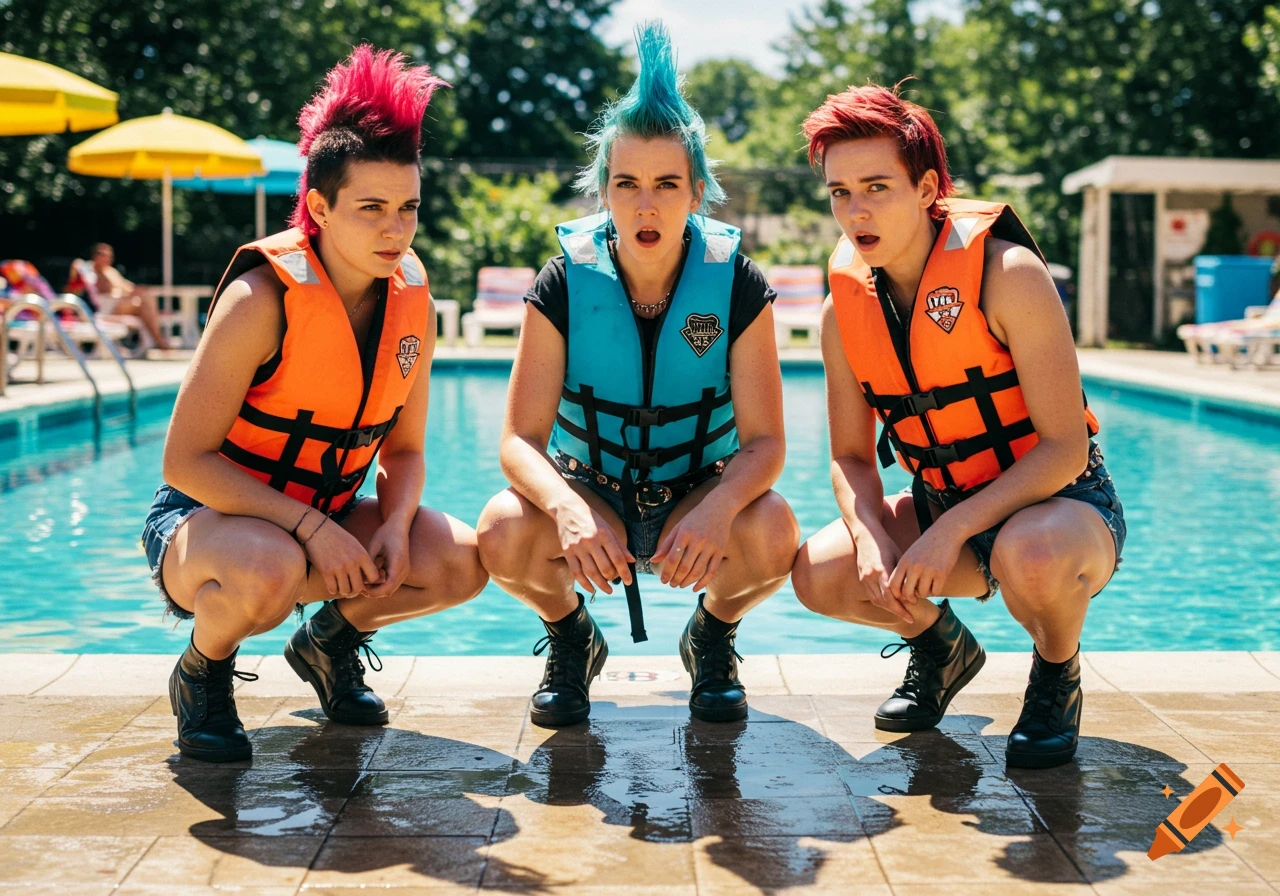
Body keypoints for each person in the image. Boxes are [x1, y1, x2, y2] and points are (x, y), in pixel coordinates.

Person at [141, 46, 487, 763]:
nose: (396, 230)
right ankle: (202, 674)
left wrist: (392, 522)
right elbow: (185, 458)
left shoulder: (412, 300)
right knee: (269, 567)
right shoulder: (259, 298)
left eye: (408, 208)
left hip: (321, 520)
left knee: (457, 561)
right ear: (320, 207)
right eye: (372, 209)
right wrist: (309, 528)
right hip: (207, 526)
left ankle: (328, 645)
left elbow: (407, 449)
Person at [790, 83, 1126, 769]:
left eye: (877, 187)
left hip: (1061, 506)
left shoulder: (1009, 274)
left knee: (1029, 555)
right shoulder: (842, 311)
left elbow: (1065, 448)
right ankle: (943, 652)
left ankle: (1056, 674)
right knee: (819, 573)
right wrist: (868, 537)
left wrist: (948, 532)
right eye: (840, 193)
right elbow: (851, 457)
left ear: (927, 189)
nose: (856, 211)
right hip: (947, 501)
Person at [476, 22, 798, 728]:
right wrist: (567, 508)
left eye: (665, 185)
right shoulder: (563, 283)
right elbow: (518, 441)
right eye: (626, 184)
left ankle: (712, 637)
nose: (645, 205)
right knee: (501, 529)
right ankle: (571, 637)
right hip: (592, 494)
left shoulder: (737, 283)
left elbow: (767, 443)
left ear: (697, 193)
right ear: (603, 192)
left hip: (693, 499)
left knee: (774, 529)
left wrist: (717, 510)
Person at [66, 244, 171, 350]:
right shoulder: (87, 271)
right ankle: (159, 341)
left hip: (117, 306)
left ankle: (158, 341)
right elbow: (74, 281)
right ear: (94, 256)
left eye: (109, 256)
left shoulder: (110, 272)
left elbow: (128, 288)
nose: (106, 258)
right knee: (144, 303)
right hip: (103, 311)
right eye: (102, 254)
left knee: (146, 300)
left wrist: (140, 290)